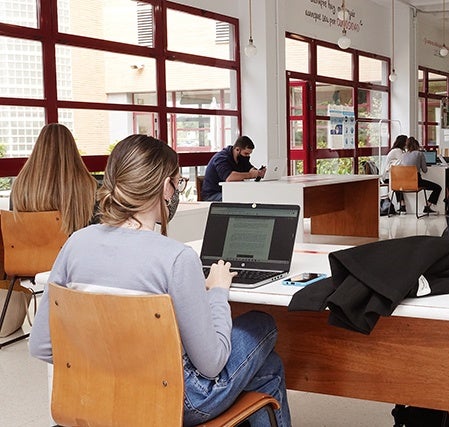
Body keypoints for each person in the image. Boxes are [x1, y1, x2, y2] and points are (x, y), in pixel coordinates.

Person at [29, 135, 291, 427]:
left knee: (268, 367)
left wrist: (111, 372)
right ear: (165, 186)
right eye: (177, 183)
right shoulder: (177, 258)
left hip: (93, 394)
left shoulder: (75, 243)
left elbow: (41, 345)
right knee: (262, 324)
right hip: (178, 401)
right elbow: (212, 364)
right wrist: (217, 291)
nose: (176, 191)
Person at [10, 123, 97, 235]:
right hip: (75, 251)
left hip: (29, 252)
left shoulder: (20, 185)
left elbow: (15, 228)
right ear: (71, 148)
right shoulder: (89, 186)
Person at [201, 136, 265, 201]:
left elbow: (250, 168)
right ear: (237, 149)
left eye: (249, 154)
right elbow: (229, 177)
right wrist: (251, 175)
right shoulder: (221, 158)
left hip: (230, 192)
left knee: (252, 196)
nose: (247, 156)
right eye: (246, 153)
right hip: (213, 194)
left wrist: (258, 172)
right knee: (239, 199)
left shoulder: (241, 158)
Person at [397, 137, 442, 214]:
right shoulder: (420, 154)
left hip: (403, 183)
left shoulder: (403, 155)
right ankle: (427, 206)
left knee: (397, 186)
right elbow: (425, 170)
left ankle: (402, 206)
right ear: (417, 146)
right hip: (416, 182)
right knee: (437, 188)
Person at [382, 135, 407, 213]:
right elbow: (403, 162)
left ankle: (402, 205)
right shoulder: (397, 151)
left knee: (399, 182)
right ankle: (402, 205)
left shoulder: (399, 150)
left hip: (393, 174)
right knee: (398, 184)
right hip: (388, 177)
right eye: (406, 141)